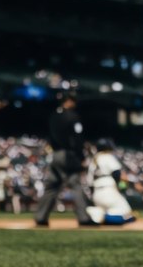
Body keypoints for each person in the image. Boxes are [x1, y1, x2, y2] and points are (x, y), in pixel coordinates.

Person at [34, 93, 96, 227]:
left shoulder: (53, 116)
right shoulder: (72, 116)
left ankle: (40, 217)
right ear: (68, 101)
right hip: (68, 155)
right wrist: (81, 157)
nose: (75, 104)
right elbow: (77, 138)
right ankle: (84, 218)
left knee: (52, 185)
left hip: (55, 154)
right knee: (75, 184)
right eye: (73, 101)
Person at [85, 139, 135, 225]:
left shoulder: (93, 160)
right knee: (128, 216)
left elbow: (89, 183)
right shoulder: (107, 156)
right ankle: (103, 217)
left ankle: (96, 213)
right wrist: (119, 186)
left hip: (96, 193)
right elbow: (116, 173)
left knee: (105, 209)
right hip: (109, 191)